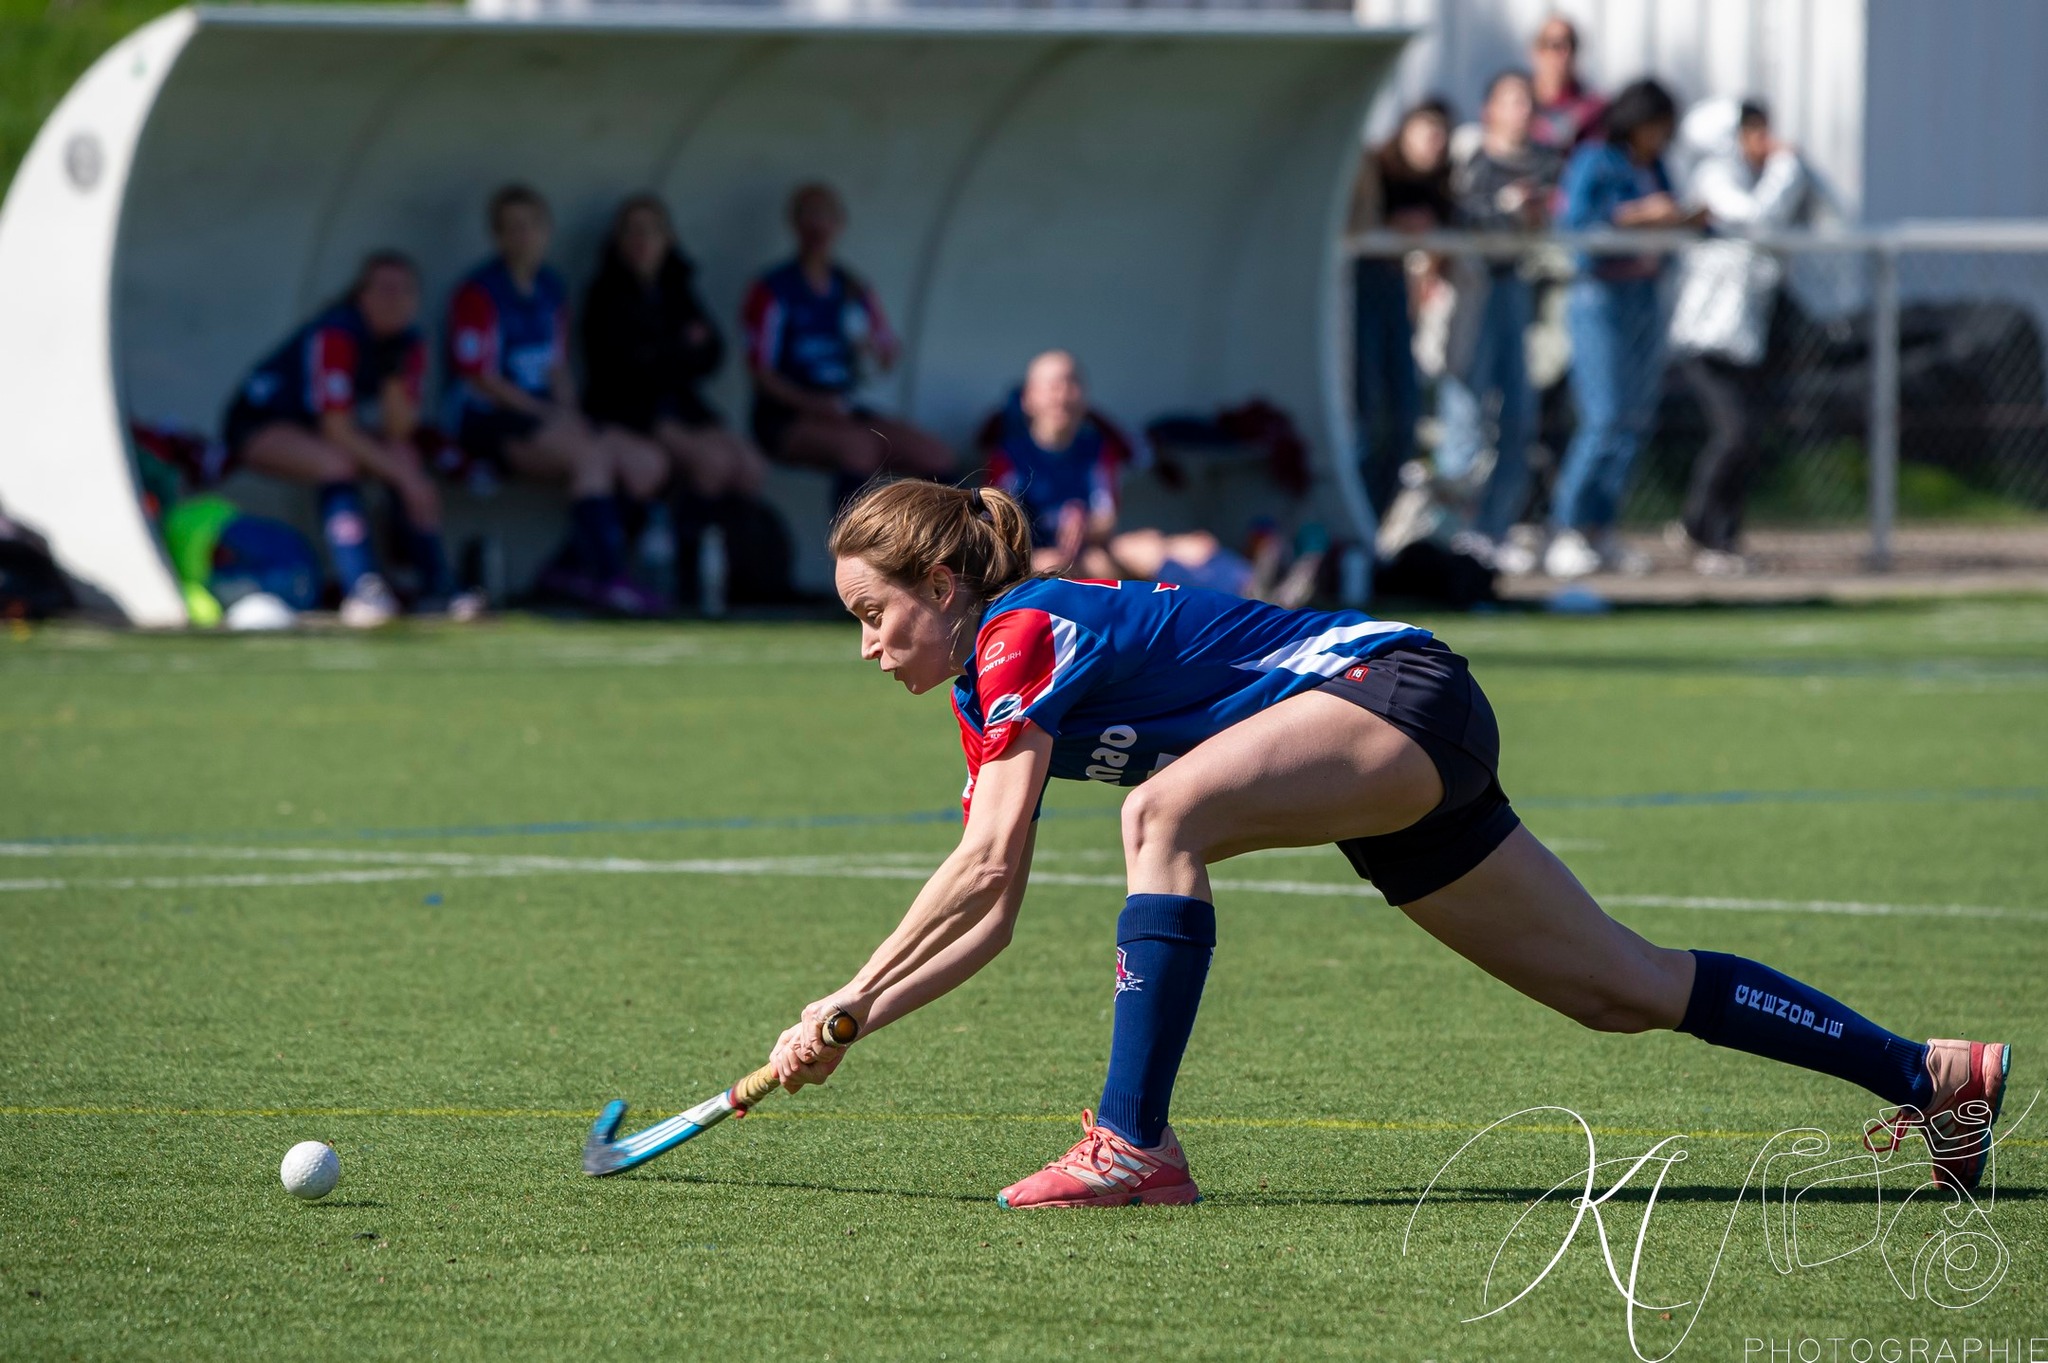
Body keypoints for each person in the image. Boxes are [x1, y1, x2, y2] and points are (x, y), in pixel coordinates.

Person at [764, 479, 2011, 1209]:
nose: (869, 646)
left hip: (1394, 688)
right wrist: (855, 1022)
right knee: (1617, 989)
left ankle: (1130, 1141)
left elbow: (979, 865)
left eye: (875, 615)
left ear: (939, 580)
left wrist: (848, 984)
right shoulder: (990, 703)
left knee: (1160, 814)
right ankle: (1933, 1075)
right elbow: (994, 909)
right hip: (1383, 747)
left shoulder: (1016, 631)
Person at [222, 250, 479, 626]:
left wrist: (393, 377)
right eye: (385, 290)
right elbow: (335, 428)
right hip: (261, 425)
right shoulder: (337, 332)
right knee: (339, 464)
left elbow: (399, 430)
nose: (396, 300)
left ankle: (436, 584)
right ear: (363, 295)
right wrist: (405, 479)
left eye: (405, 291)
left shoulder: (408, 342)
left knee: (404, 457)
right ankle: (362, 588)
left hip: (321, 431)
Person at [447, 184, 668, 616]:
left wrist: (570, 414)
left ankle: (569, 569)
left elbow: (556, 366)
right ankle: (609, 579)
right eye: (511, 228)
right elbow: (480, 376)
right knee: (591, 458)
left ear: (546, 231)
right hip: (490, 419)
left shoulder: (550, 288)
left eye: (530, 226)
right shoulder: (479, 292)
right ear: (497, 236)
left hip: (544, 416)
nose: (522, 236)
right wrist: (549, 415)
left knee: (648, 463)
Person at [583, 193, 797, 603]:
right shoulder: (605, 293)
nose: (642, 241)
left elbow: (711, 351)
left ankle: (740, 570)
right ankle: (688, 575)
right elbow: (625, 366)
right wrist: (675, 351)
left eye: (652, 231)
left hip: (682, 408)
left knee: (749, 465)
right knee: (711, 464)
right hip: (631, 412)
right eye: (632, 232)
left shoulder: (677, 287)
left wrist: (663, 353)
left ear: (668, 238)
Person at [979, 351, 1312, 605]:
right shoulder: (1009, 458)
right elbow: (998, 529)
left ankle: (1258, 588)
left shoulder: (1097, 450)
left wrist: (1086, 523)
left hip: (1092, 550)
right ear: (1029, 399)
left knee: (1182, 545)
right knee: (1055, 564)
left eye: (1072, 383)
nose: (1063, 395)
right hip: (1039, 558)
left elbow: (1106, 519)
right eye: (1053, 385)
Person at [1546, 79, 1702, 580]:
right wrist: (1633, 216)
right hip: (1599, 296)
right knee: (1604, 415)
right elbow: (1575, 229)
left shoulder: (1653, 167)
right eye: (1657, 127)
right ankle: (1566, 529)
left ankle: (1601, 528)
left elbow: (1666, 215)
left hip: (1643, 296)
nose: (1661, 138)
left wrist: (1685, 218)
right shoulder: (1595, 160)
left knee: (1634, 417)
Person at [1667, 100, 1817, 575]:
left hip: (1745, 338)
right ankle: (1699, 528)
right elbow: (1757, 220)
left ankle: (1723, 536)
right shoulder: (1717, 176)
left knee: (1749, 436)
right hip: (1706, 338)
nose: (1766, 145)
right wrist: (1787, 169)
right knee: (1734, 432)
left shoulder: (1756, 178)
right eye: (1756, 134)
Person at [742, 183, 955, 503]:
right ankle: (852, 551)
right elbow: (760, 371)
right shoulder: (773, 289)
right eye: (809, 215)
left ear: (840, 223)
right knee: (860, 449)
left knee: (937, 456)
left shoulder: (852, 289)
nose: (818, 225)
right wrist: (811, 403)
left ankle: (931, 550)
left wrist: (869, 348)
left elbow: (887, 355)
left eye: (826, 215)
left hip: (844, 410)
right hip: (785, 416)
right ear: (794, 223)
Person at [1435, 70, 1560, 574]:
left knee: (1517, 417)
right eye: (1512, 101)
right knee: (1464, 412)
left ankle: (1492, 531)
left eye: (1529, 102)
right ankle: (1446, 535)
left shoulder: (1545, 163)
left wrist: (1529, 214)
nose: (1523, 111)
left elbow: (1546, 230)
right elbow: (1455, 216)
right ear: (1489, 108)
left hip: (1516, 289)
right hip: (1470, 291)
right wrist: (1500, 209)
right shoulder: (1468, 156)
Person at [1348, 99, 1456, 519]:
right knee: (1367, 413)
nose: (1435, 142)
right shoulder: (1370, 167)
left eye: (1441, 134)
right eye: (1426, 130)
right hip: (1361, 293)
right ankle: (1357, 519)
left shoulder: (1439, 186)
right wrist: (1388, 232)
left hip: (1396, 298)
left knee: (1404, 414)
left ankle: (1377, 518)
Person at [1527, 14, 1605, 154]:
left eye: (1572, 45)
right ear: (1536, 52)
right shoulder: (1520, 104)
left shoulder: (1592, 108)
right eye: (1556, 45)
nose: (1565, 53)